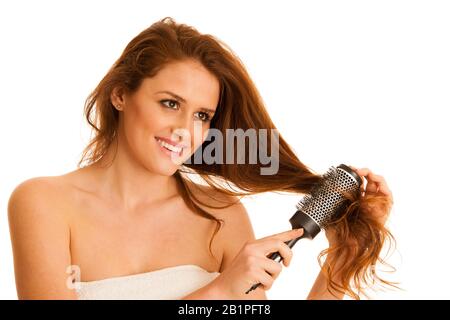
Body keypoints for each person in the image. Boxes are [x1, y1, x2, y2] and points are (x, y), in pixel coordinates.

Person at [7, 17, 394, 300]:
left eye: (201, 116)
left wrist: (343, 259)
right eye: (170, 103)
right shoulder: (44, 204)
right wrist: (220, 290)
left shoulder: (221, 216)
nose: (184, 130)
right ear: (121, 94)